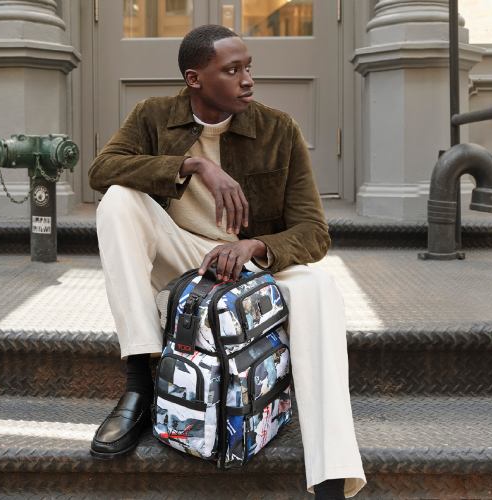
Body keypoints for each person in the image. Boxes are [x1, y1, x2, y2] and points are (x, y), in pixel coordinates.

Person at [88, 24, 365, 499]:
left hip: (252, 265)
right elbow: (101, 170)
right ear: (194, 79)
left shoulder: (278, 129)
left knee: (321, 289)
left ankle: (331, 476)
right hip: (186, 259)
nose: (247, 80)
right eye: (232, 70)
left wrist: (254, 247)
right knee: (117, 200)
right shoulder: (154, 115)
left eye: (248, 68)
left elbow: (314, 233)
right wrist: (194, 166)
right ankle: (139, 381)